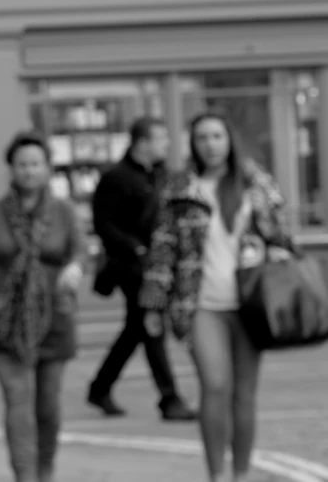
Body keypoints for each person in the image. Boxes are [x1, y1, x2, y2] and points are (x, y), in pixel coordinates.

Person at [140, 112, 292, 482]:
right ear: (193, 144)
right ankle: (217, 475)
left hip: (251, 302)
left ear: (230, 140)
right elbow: (163, 249)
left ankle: (241, 473)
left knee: (244, 394)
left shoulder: (257, 186)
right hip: (200, 304)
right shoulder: (180, 190)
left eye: (217, 136)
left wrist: (273, 248)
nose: (210, 144)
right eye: (202, 137)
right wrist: (154, 303)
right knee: (215, 385)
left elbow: (281, 239)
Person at [0, 131, 85, 482]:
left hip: (54, 317)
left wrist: (76, 267)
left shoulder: (64, 211)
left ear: (47, 168)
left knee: (47, 406)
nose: (29, 171)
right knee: (18, 401)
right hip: (1, 320)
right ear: (11, 169)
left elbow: (80, 250)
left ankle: (45, 469)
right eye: (22, 165)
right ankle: (25, 476)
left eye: (36, 164)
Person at [86, 117, 195, 421]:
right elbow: (103, 224)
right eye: (161, 138)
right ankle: (169, 398)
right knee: (151, 325)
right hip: (131, 268)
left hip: (161, 265)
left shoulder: (163, 176)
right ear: (142, 142)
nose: (167, 144)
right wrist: (136, 248)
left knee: (136, 329)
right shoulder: (116, 178)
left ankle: (100, 387)